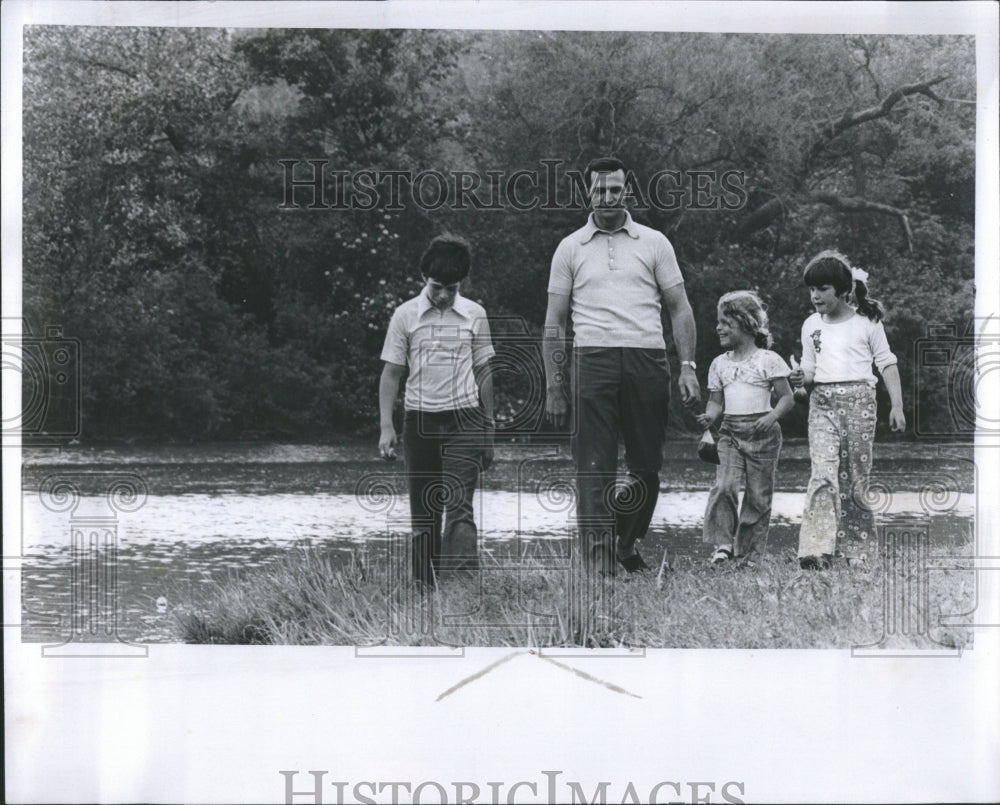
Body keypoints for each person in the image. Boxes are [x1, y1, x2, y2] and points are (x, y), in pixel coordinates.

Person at [544, 157, 700, 575]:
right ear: (588, 193)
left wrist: (687, 365)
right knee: (593, 467)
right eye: (600, 190)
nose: (608, 197)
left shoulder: (654, 242)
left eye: (615, 189)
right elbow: (554, 324)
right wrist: (555, 386)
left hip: (646, 359)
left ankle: (625, 542)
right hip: (591, 360)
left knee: (646, 467)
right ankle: (598, 566)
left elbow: (680, 309)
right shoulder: (569, 248)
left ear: (627, 191)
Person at [378, 235, 495, 585]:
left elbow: (485, 372)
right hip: (420, 422)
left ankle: (460, 588)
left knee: (459, 507)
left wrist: (489, 430)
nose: (443, 294)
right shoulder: (404, 316)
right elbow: (391, 373)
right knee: (424, 513)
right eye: (437, 286)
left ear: (463, 283)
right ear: (423, 278)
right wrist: (387, 426)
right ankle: (424, 589)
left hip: (466, 418)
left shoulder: (475, 314)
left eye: (452, 288)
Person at [788, 250, 906, 570]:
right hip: (822, 404)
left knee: (855, 477)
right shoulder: (811, 325)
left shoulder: (867, 322)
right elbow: (810, 371)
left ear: (841, 290)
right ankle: (816, 549)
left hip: (860, 404)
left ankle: (857, 550)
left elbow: (887, 363)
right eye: (811, 289)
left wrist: (897, 406)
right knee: (823, 475)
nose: (815, 296)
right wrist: (801, 377)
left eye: (822, 289)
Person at [696, 291, 794, 564]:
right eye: (719, 322)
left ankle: (748, 554)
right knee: (724, 486)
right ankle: (723, 545)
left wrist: (771, 417)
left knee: (758, 497)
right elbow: (716, 403)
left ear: (748, 323)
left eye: (726, 322)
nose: (719, 327)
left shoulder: (768, 359)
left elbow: (787, 398)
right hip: (729, 433)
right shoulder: (719, 364)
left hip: (763, 433)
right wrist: (709, 418)